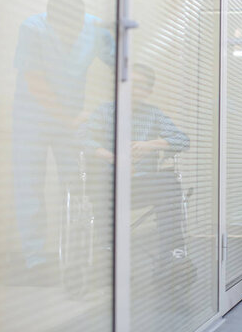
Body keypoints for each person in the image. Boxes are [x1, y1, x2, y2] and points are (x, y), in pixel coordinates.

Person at [12, 0, 115, 275]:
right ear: (51, 20)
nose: (70, 35)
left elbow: (120, 66)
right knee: (30, 186)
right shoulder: (33, 29)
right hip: (31, 118)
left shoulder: (94, 29)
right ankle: (36, 259)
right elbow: (35, 81)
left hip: (73, 118)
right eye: (64, 29)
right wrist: (68, 118)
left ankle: (78, 251)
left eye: (75, 27)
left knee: (76, 182)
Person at [80, 63, 189, 270]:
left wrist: (151, 145)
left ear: (147, 91)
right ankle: (106, 250)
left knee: (169, 181)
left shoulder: (153, 114)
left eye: (138, 85)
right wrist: (115, 158)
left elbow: (182, 140)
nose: (131, 88)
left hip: (142, 186)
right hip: (108, 184)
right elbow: (82, 139)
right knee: (100, 177)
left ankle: (172, 256)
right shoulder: (104, 111)